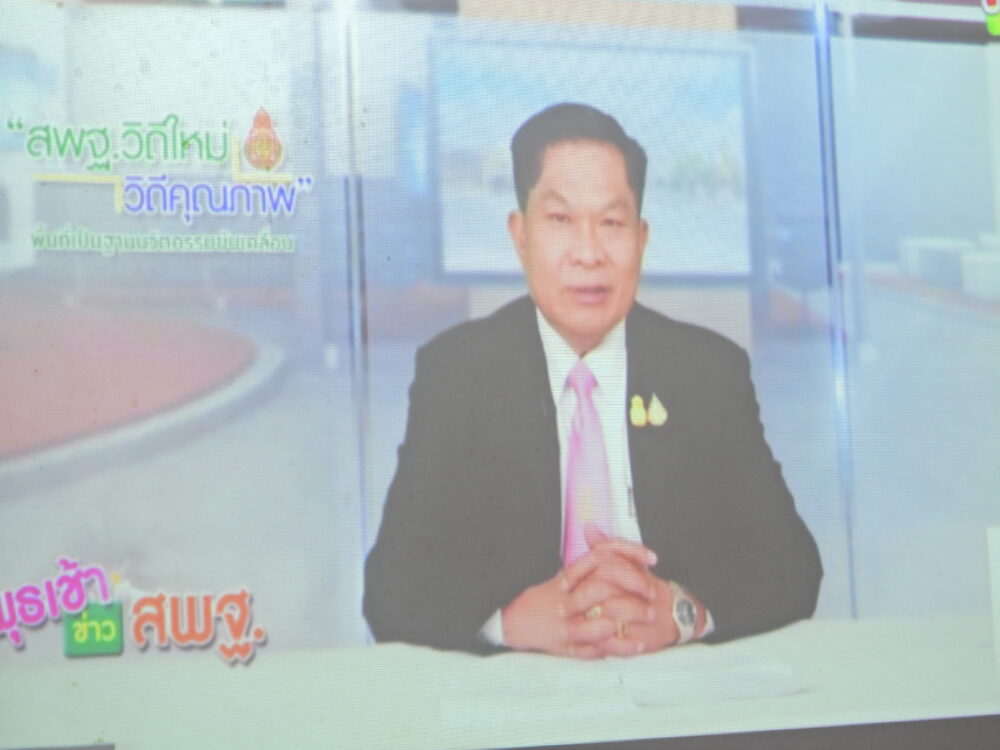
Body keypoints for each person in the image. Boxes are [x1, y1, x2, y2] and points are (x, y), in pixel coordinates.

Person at [364, 103, 822, 658]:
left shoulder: (707, 372)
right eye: (560, 220)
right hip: (521, 685)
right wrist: (512, 621)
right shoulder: (457, 373)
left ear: (641, 238)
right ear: (520, 235)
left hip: (673, 681)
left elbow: (793, 565)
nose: (588, 254)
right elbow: (390, 588)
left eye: (611, 223)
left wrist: (681, 612)